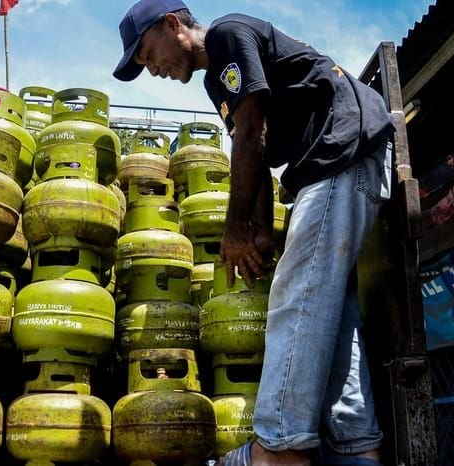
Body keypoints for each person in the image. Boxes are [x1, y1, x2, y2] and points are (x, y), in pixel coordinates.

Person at [113, 1, 394, 465]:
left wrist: (235, 230)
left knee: (297, 292)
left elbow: (251, 134)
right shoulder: (215, 79)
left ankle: (279, 447)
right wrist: (260, 229)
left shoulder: (227, 34)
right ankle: (357, 447)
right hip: (331, 163)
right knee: (332, 310)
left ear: (171, 25)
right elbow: (256, 153)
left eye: (147, 54)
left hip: (343, 151)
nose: (152, 70)